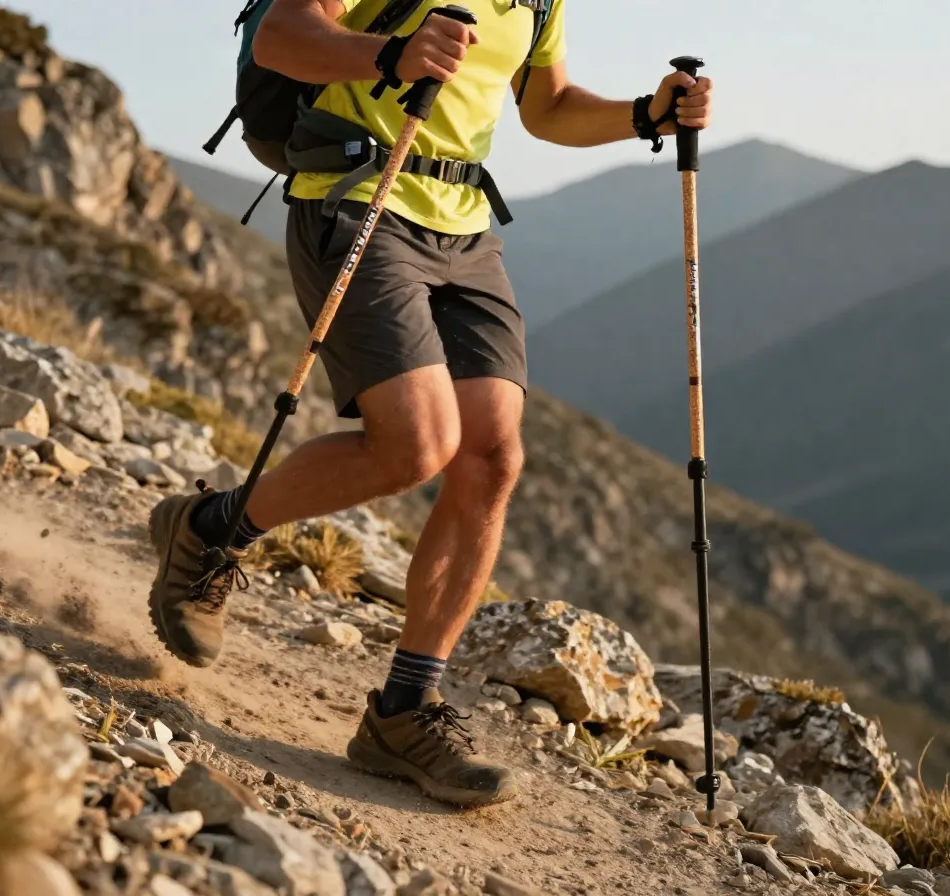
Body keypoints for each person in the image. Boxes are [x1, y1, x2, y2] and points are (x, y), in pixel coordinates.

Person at [147, 0, 713, 808]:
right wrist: (392, 54)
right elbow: (282, 36)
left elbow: (547, 108)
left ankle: (405, 711)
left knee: (491, 455)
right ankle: (210, 532)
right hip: (355, 196)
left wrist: (644, 116)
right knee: (414, 447)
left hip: (465, 229)